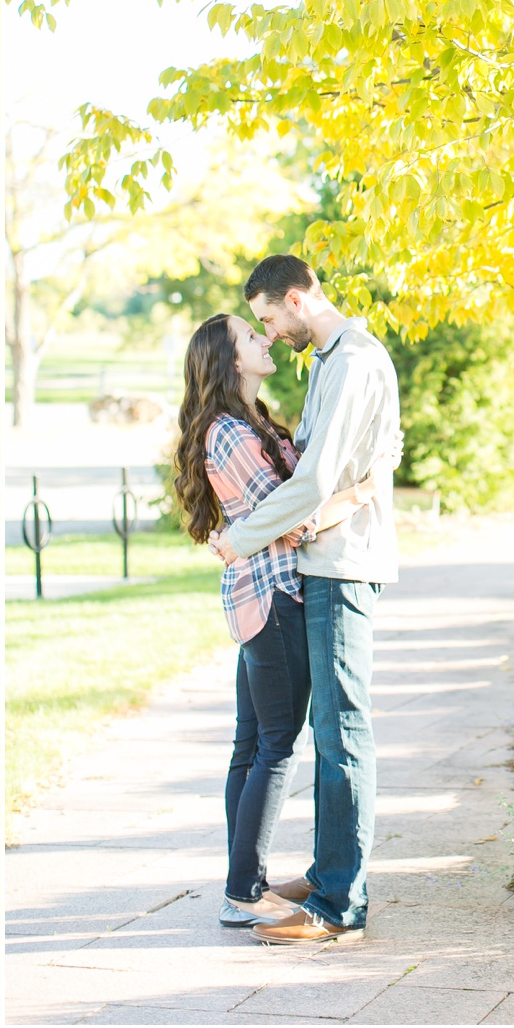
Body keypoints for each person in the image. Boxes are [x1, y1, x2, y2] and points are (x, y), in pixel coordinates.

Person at [214, 255, 402, 945]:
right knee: (329, 728)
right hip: (318, 560)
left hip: (343, 565)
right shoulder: (328, 361)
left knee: (343, 730)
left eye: (269, 318)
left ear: (297, 299)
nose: (270, 333)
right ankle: (328, 872)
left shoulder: (353, 360)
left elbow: (318, 477)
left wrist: (242, 536)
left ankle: (339, 905)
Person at [175, 313, 385, 928]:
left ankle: (244, 884)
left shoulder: (249, 423)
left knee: (252, 745)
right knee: (271, 749)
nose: (264, 339)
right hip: (272, 600)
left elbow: (278, 508)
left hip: (260, 597)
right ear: (229, 360)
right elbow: (291, 518)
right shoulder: (230, 434)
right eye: (250, 334)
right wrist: (359, 493)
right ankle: (242, 894)